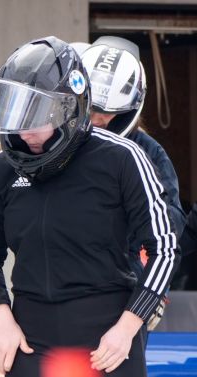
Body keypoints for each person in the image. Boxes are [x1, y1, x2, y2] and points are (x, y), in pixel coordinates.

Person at [0, 36, 178, 377]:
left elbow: (164, 245)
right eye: (15, 114)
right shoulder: (3, 171)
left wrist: (129, 326)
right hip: (31, 339)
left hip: (107, 339)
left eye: (35, 117)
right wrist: (0, 316)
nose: (23, 131)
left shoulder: (123, 158)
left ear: (67, 108)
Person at [78, 36, 186, 280]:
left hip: (124, 283)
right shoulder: (62, 142)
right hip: (62, 280)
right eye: (91, 108)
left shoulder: (149, 152)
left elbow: (172, 225)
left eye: (107, 112)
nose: (96, 119)